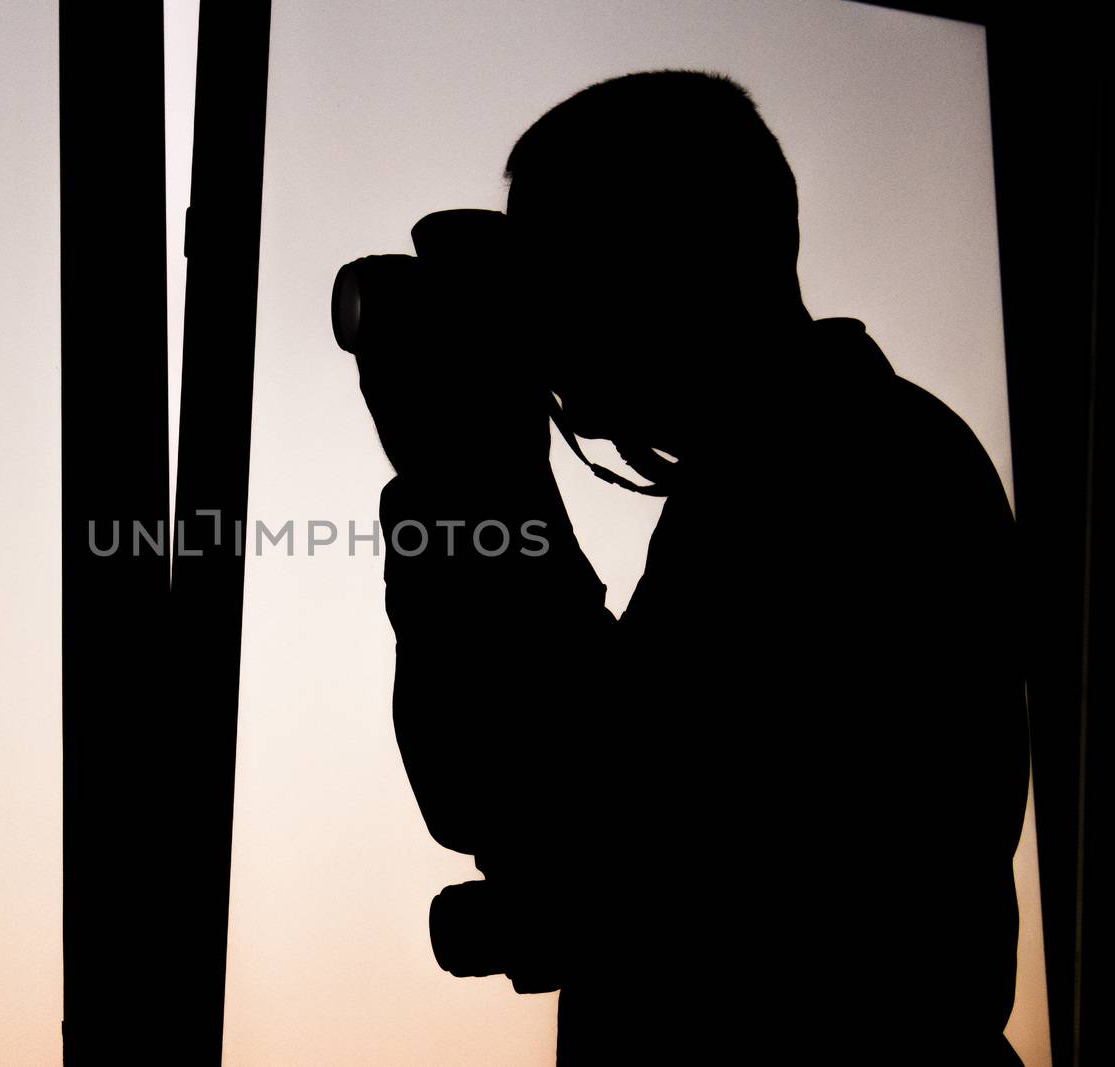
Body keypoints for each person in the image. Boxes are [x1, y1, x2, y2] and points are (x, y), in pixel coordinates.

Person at [356, 71, 1029, 1064]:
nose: (535, 313)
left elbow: (532, 791)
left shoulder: (829, 468)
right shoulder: (830, 454)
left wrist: (464, 480)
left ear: (660, 257)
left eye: (558, 262)